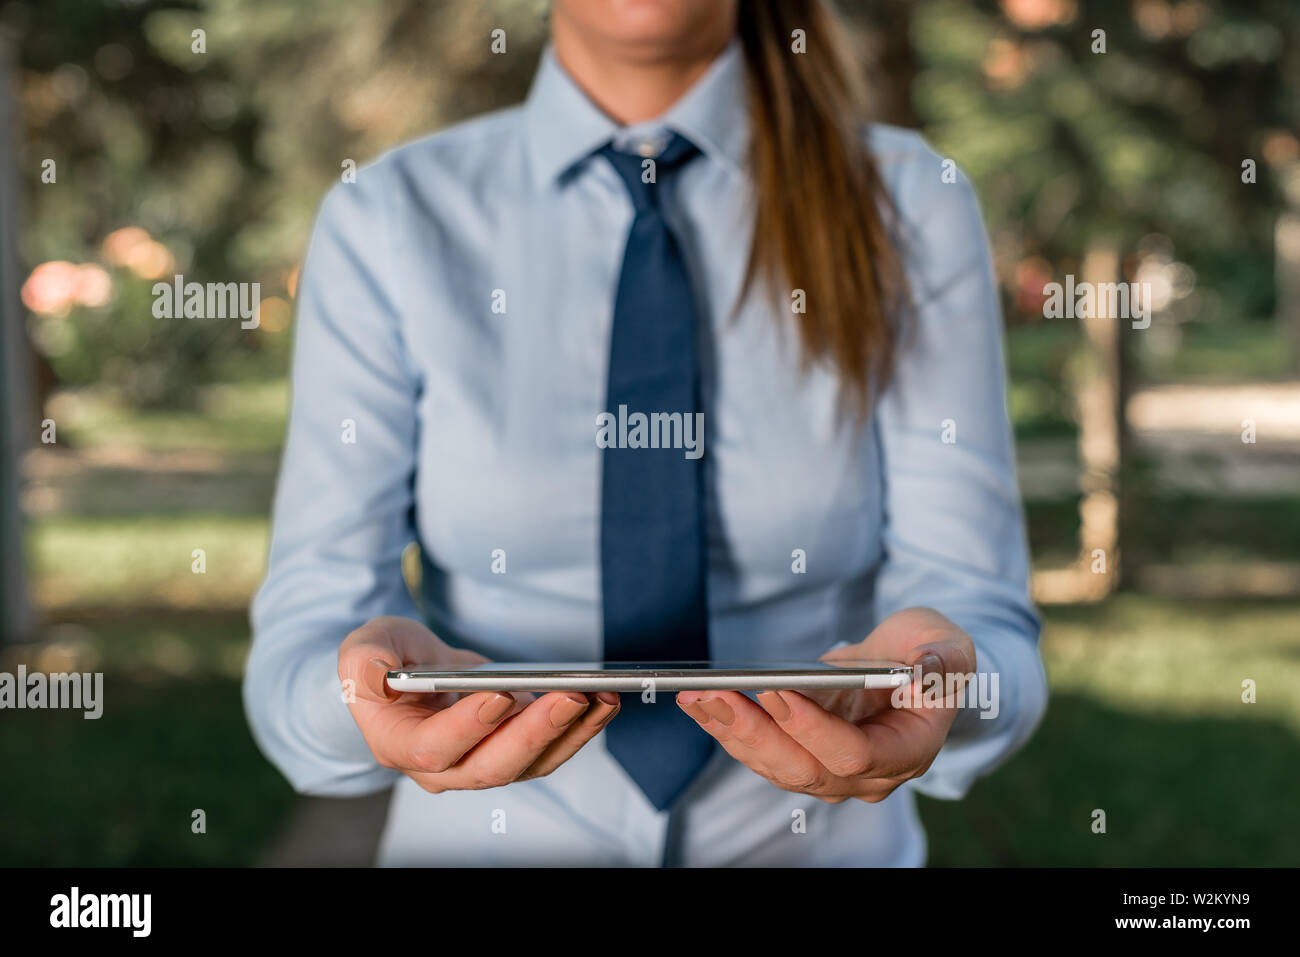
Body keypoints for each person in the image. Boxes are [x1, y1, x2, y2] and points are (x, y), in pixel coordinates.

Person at [244, 0, 1048, 866]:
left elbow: (985, 625)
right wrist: (367, 696)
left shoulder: (908, 202)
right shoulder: (391, 216)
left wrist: (938, 684)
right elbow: (305, 637)